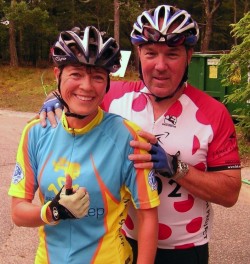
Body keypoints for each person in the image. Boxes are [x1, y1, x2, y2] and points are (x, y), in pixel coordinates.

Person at [38, 5, 241, 264]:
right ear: (138, 54)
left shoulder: (213, 113)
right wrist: (53, 98)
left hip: (185, 249)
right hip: (124, 243)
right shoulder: (115, 98)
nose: (160, 66)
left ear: (190, 55)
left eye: (172, 54)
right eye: (151, 53)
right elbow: (78, 89)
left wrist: (176, 167)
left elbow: (230, 193)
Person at [8, 25, 160, 264]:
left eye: (97, 77)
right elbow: (18, 212)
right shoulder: (35, 132)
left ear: (108, 84)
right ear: (57, 75)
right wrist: (53, 211)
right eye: (76, 74)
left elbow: (148, 216)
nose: (87, 86)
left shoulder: (129, 137)